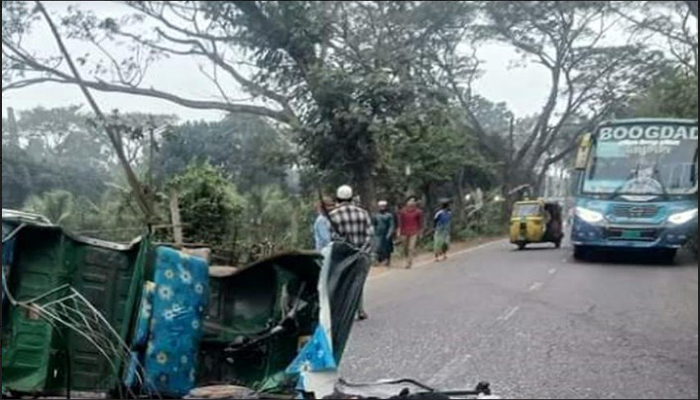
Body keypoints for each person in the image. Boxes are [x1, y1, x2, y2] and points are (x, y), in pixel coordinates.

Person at [328, 185, 374, 321]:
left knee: (342, 283)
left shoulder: (333, 215)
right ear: (351, 197)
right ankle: (360, 310)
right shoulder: (363, 213)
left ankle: (342, 312)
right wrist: (362, 250)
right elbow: (370, 235)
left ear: (337, 198)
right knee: (357, 282)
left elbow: (332, 238)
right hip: (362, 254)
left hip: (342, 256)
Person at [398, 197, 423, 269]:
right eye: (409, 202)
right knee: (405, 247)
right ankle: (407, 258)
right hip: (404, 232)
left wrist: (420, 231)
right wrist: (399, 231)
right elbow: (400, 222)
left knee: (411, 248)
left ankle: (409, 262)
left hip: (414, 231)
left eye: (413, 202)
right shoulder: (403, 212)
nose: (411, 204)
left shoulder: (418, 212)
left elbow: (420, 222)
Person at [373, 201, 395, 267]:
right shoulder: (375, 215)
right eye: (380, 206)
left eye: (383, 206)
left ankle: (387, 260)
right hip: (378, 234)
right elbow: (373, 225)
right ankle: (378, 261)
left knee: (387, 248)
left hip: (386, 234)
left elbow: (391, 225)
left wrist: (389, 233)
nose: (382, 208)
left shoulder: (389, 215)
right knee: (378, 248)